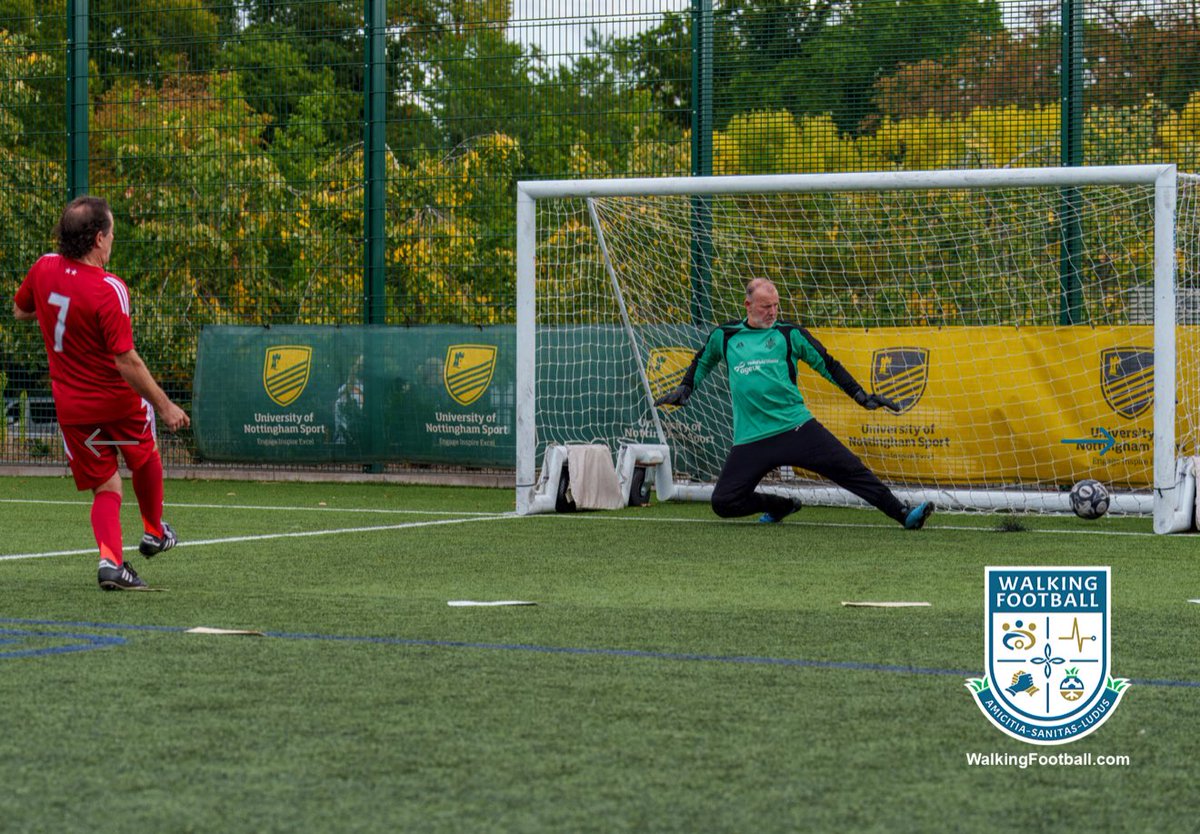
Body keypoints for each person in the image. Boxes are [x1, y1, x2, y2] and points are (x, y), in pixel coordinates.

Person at [12, 196, 191, 590]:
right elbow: (126, 360)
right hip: (117, 405)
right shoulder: (110, 289)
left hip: (73, 411)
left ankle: (111, 562)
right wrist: (165, 405)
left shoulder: (43, 268)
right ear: (97, 239)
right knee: (144, 454)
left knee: (106, 486)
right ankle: (153, 530)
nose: (112, 241)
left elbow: (20, 310)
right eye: (111, 234)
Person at [655, 278, 933, 529]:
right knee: (723, 503)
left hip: (796, 427)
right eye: (766, 306)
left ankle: (903, 513)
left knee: (852, 470)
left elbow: (828, 364)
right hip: (751, 438)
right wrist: (686, 387)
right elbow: (703, 360)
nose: (773, 312)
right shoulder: (725, 335)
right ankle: (780, 505)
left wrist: (860, 396)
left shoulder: (789, 334)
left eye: (776, 305)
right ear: (748, 305)